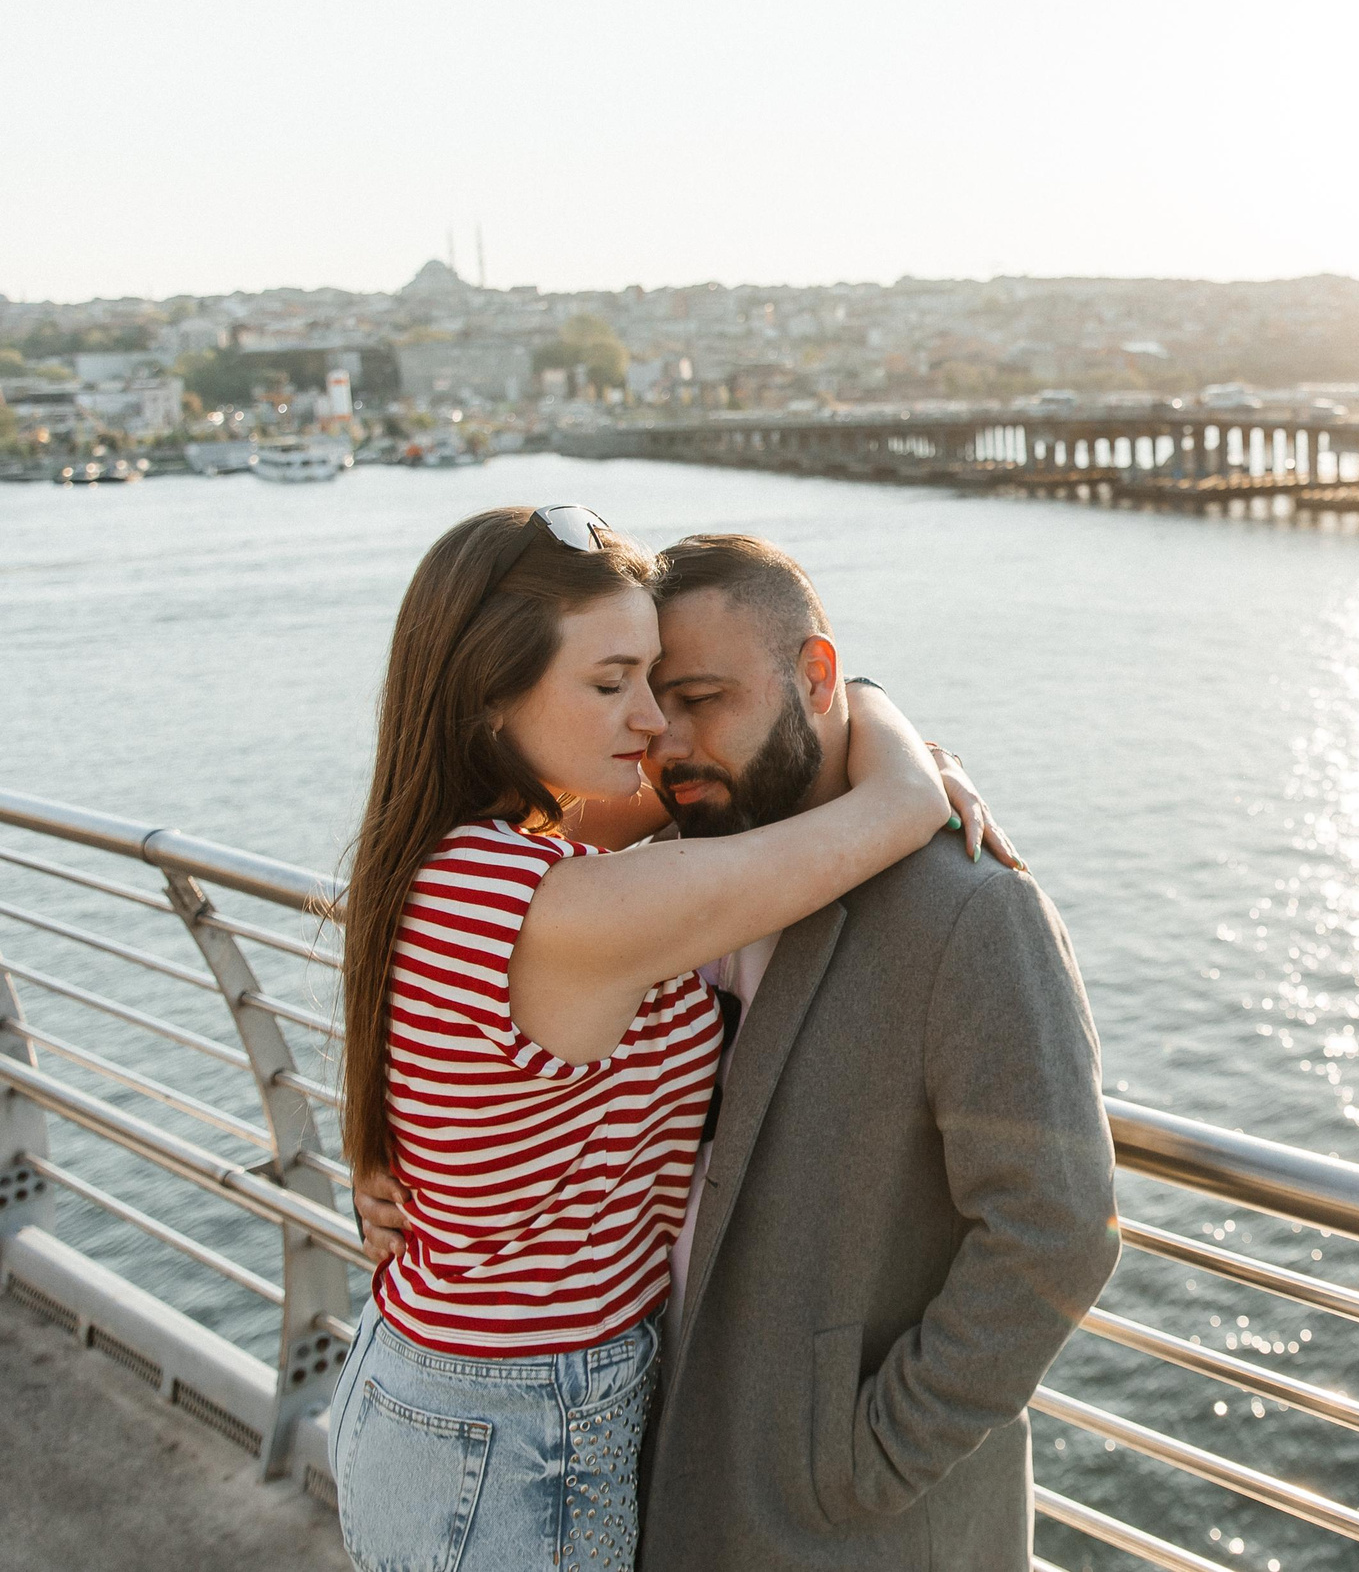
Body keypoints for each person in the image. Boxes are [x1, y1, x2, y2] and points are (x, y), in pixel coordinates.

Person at [357, 531, 1122, 1570]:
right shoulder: (622, 882)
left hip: (819, 1516)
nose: (659, 739)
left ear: (811, 674)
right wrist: (895, 746)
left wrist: (868, 1458)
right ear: (496, 697)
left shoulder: (967, 915)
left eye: (695, 696)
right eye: (626, 689)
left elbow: (1056, 1230)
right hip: (557, 1459)